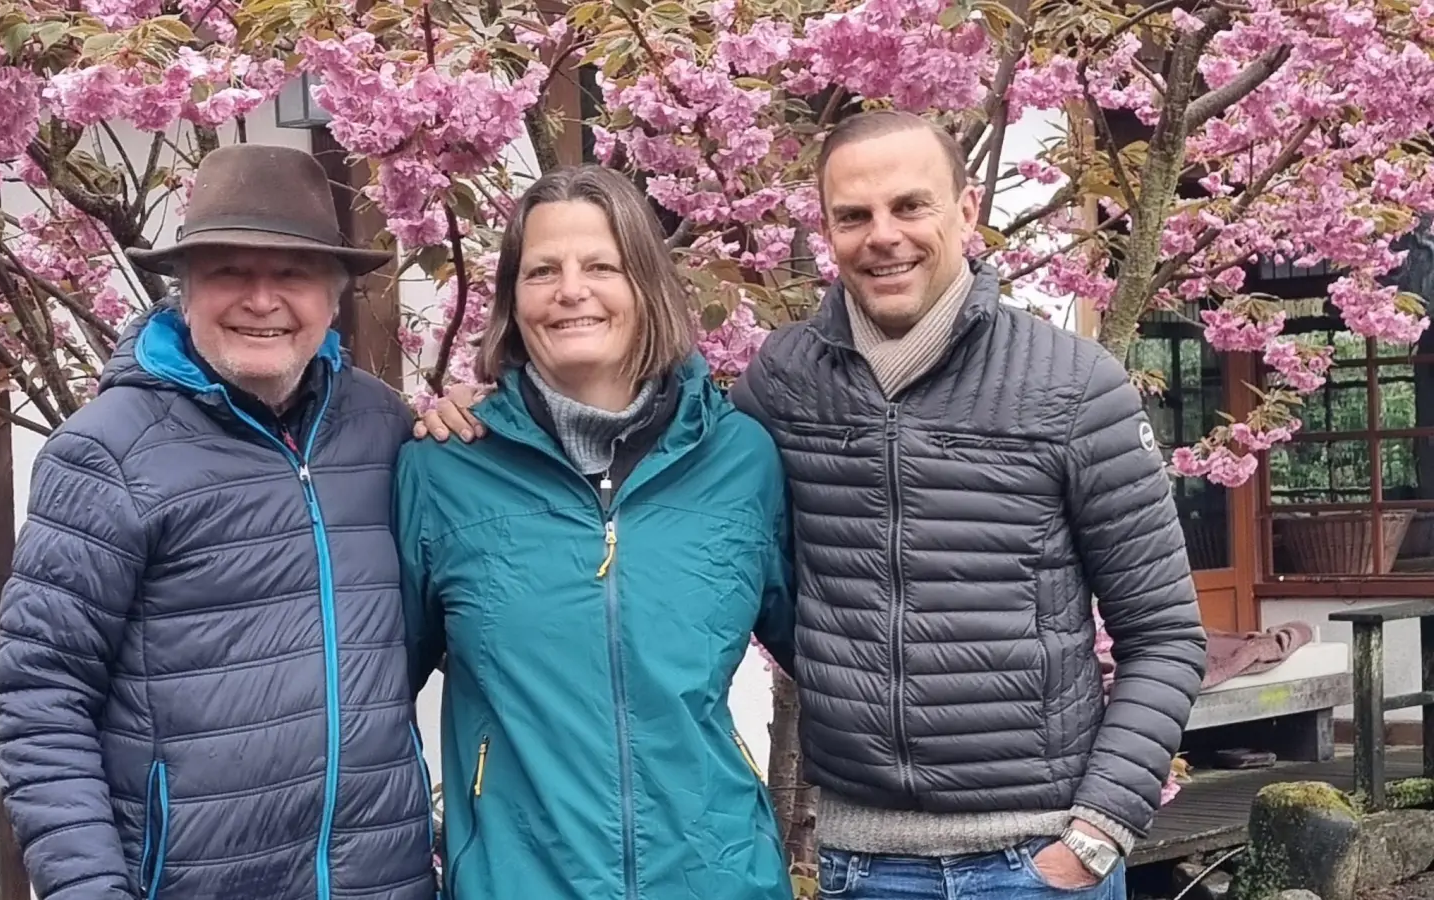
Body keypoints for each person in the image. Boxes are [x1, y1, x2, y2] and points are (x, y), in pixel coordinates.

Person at [418, 113, 1207, 900]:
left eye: (910, 207)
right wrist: (479, 416)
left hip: (1033, 857)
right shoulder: (783, 389)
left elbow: (1164, 631)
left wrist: (1099, 829)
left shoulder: (1073, 385)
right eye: (854, 216)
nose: (883, 236)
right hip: (863, 863)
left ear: (967, 211)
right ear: (826, 228)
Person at [0, 144, 435, 900]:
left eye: (292, 274)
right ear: (184, 292)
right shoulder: (107, 453)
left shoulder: (383, 427)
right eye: (230, 271)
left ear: (332, 296)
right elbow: (40, 697)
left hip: (380, 883)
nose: (262, 300)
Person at [394, 164, 797, 900]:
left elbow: (840, 661)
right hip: (519, 880)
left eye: (600, 266)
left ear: (646, 285)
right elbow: (375, 696)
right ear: (513, 303)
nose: (570, 290)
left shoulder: (742, 461)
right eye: (542, 270)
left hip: (718, 877)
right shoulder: (444, 470)